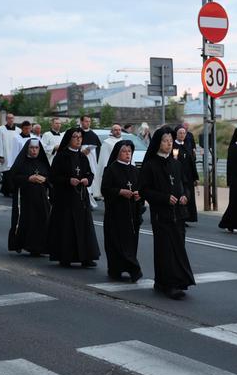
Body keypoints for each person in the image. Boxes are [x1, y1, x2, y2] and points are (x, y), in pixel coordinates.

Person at [139, 126, 195, 299]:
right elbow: (144, 190)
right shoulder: (150, 165)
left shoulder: (176, 164)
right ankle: (167, 284)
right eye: (165, 141)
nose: (169, 144)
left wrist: (185, 196)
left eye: (171, 141)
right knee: (165, 250)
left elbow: (184, 184)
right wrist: (164, 198)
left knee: (178, 248)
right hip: (161, 214)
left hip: (178, 214)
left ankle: (175, 282)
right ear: (157, 143)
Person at [46, 128, 100, 267]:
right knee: (67, 228)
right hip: (65, 198)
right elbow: (53, 177)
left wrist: (87, 180)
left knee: (84, 228)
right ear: (69, 139)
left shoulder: (82, 157)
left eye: (80, 137)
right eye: (75, 137)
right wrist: (68, 180)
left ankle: (86, 257)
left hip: (81, 198)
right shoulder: (61, 156)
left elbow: (89, 173)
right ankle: (66, 256)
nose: (78, 139)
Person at [101, 140, 143, 282]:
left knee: (131, 244)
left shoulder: (135, 170)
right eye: (124, 151)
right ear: (118, 153)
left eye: (129, 151)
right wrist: (120, 192)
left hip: (131, 213)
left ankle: (132, 270)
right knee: (116, 243)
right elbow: (105, 190)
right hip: (116, 213)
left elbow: (140, 188)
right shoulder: (111, 169)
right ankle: (116, 269)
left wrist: (138, 194)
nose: (127, 154)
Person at [8, 139, 51, 257]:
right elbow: (13, 176)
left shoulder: (43, 162)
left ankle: (39, 247)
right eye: (32, 148)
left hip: (42, 198)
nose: (34, 150)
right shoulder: (22, 162)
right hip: (25, 198)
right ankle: (23, 244)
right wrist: (28, 178)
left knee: (42, 221)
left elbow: (50, 178)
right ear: (27, 148)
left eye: (36, 148)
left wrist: (45, 179)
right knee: (27, 221)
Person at [173, 125, 198, 224]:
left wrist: (195, 177)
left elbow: (192, 162)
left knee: (189, 196)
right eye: (180, 133)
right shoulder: (173, 146)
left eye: (184, 133)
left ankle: (187, 217)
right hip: (178, 175)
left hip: (189, 175)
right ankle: (180, 216)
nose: (182, 135)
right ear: (176, 134)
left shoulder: (187, 146)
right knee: (180, 194)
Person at [92, 123, 123, 199]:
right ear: (111, 131)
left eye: (119, 130)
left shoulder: (123, 142)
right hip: (112, 169)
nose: (118, 131)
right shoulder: (107, 142)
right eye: (115, 130)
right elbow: (104, 159)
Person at [0, 113, 20, 196]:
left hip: (15, 153)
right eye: (9, 118)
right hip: (5, 153)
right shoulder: (1, 129)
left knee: (13, 172)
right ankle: (8, 190)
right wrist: (0, 155)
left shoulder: (18, 130)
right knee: (6, 172)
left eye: (12, 118)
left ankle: (7, 190)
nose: (11, 120)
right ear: (6, 119)